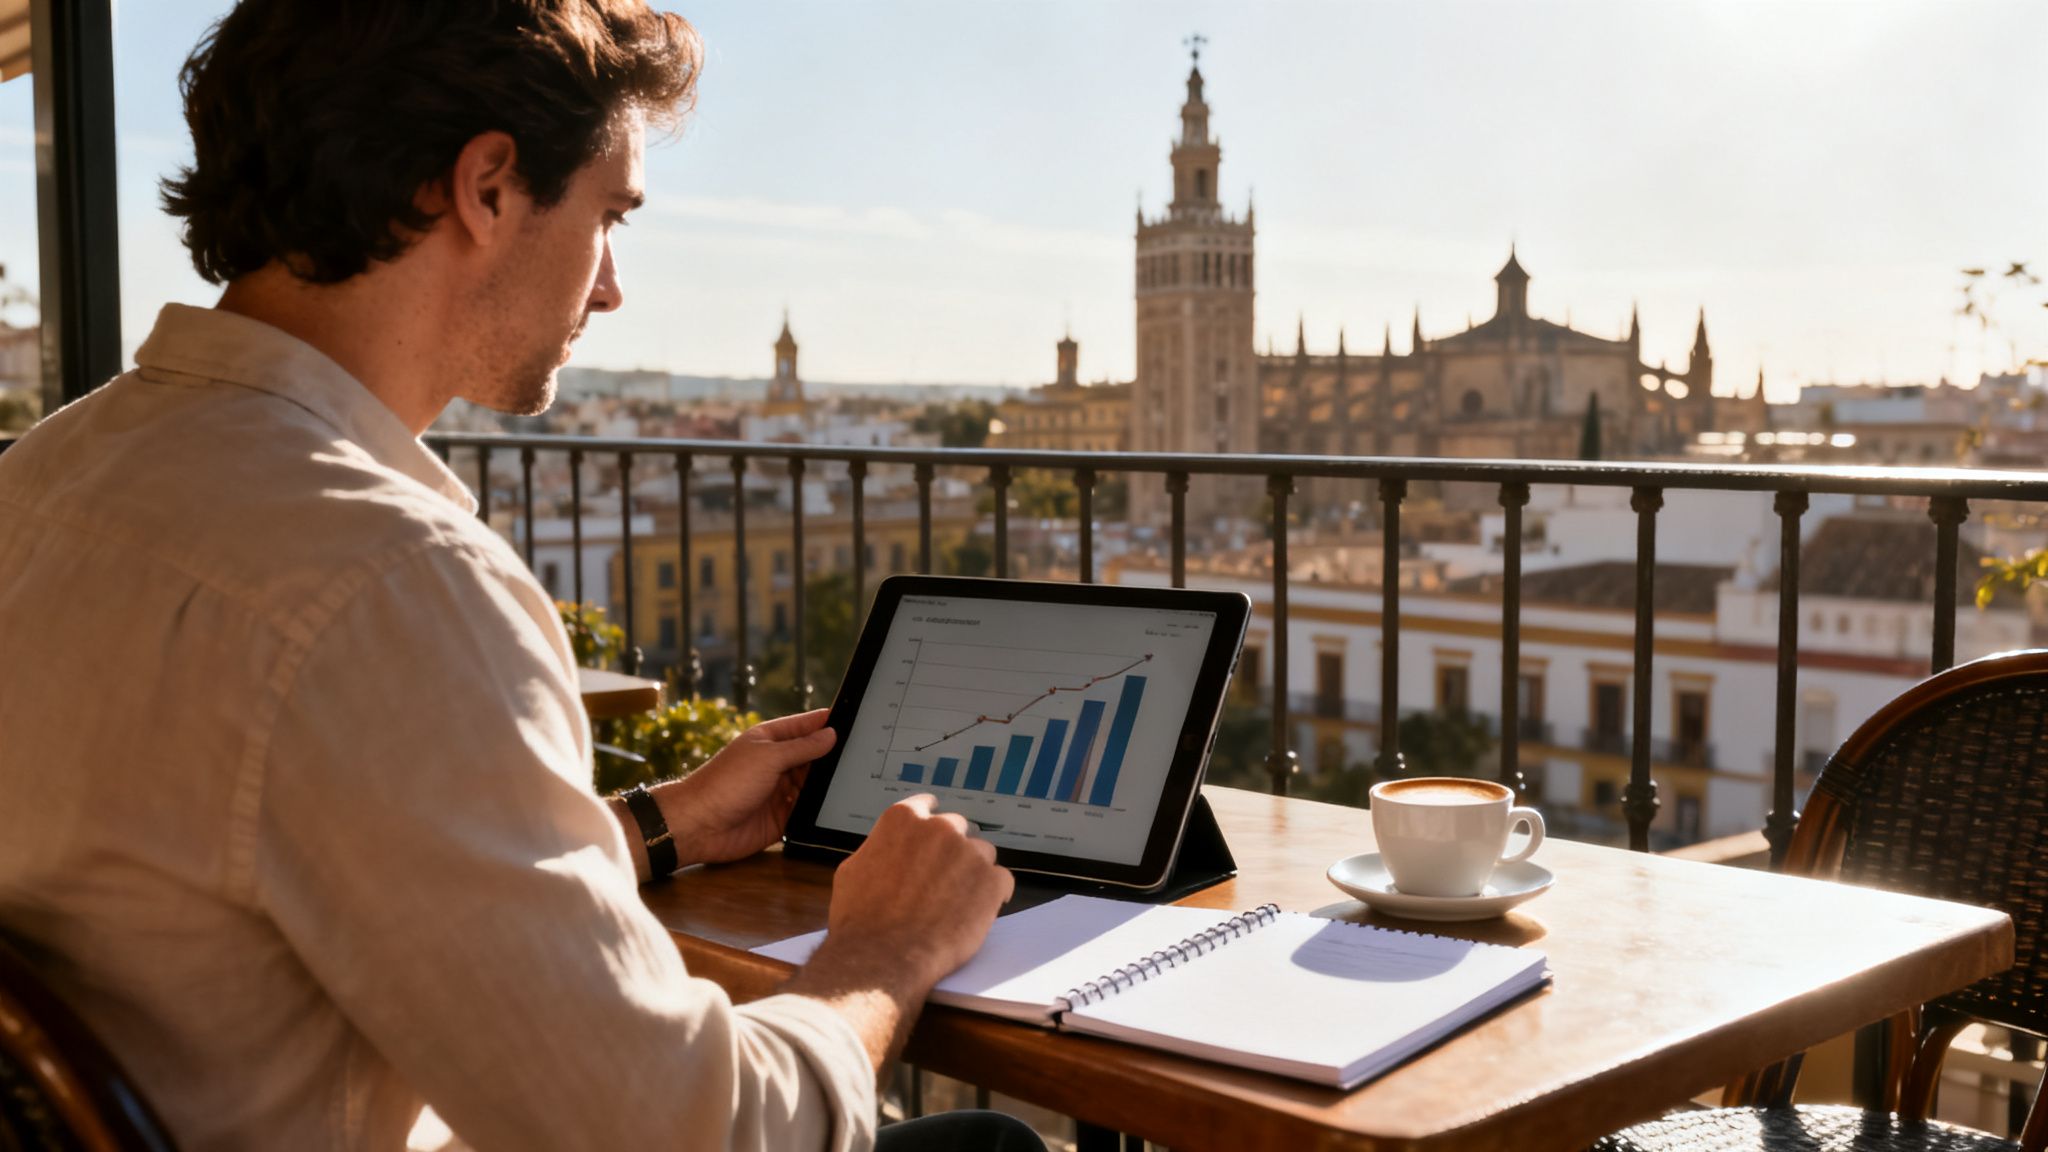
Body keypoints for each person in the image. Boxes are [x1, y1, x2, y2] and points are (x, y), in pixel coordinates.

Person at [0, 2, 1038, 1149]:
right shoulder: (386, 581)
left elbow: (285, 852)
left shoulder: (49, 478)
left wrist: (653, 827)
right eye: (609, 216)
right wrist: (884, 948)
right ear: (486, 187)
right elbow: (692, 1134)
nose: (610, 290)